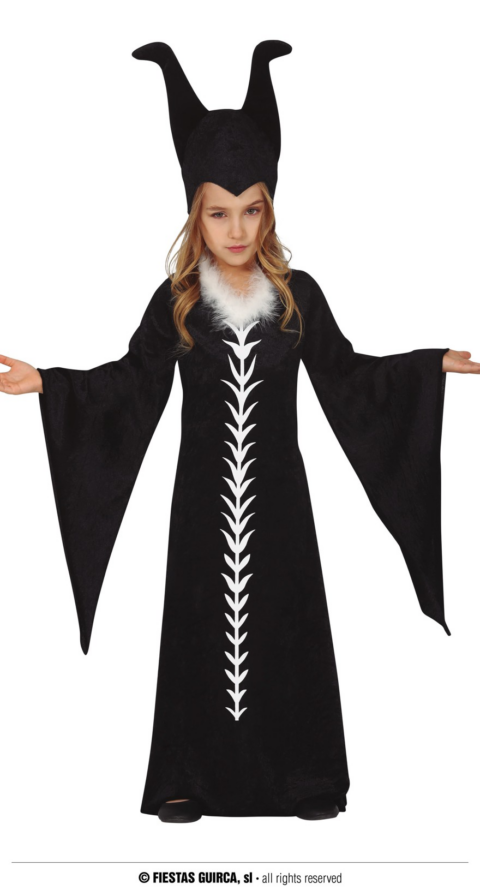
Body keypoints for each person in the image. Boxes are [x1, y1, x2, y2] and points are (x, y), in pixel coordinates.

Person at [1, 42, 479, 825]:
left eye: (250, 209)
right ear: (195, 213)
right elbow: (130, 383)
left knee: (289, 618)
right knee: (198, 621)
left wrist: (429, 368)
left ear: (270, 209)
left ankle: (306, 777)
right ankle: (186, 776)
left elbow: (350, 376)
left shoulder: (299, 298)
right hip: (201, 503)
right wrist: (50, 383)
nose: (235, 228)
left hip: (281, 501)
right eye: (218, 212)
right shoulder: (179, 301)